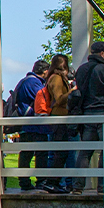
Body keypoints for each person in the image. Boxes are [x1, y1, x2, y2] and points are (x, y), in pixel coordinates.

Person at [69, 41, 104, 193]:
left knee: (86, 152)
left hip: (88, 114)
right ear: (102, 53)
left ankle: (77, 186)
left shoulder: (81, 70)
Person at [9, 62, 48, 191]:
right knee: (38, 152)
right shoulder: (33, 83)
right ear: (45, 71)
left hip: (27, 123)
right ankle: (37, 181)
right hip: (33, 124)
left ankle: (25, 181)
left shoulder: (26, 81)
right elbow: (44, 98)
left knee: (27, 152)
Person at [42, 54, 73, 193]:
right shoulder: (56, 78)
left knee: (61, 151)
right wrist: (73, 90)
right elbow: (59, 99)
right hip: (59, 117)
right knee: (60, 152)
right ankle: (52, 182)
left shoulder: (55, 78)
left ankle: (55, 182)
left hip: (60, 117)